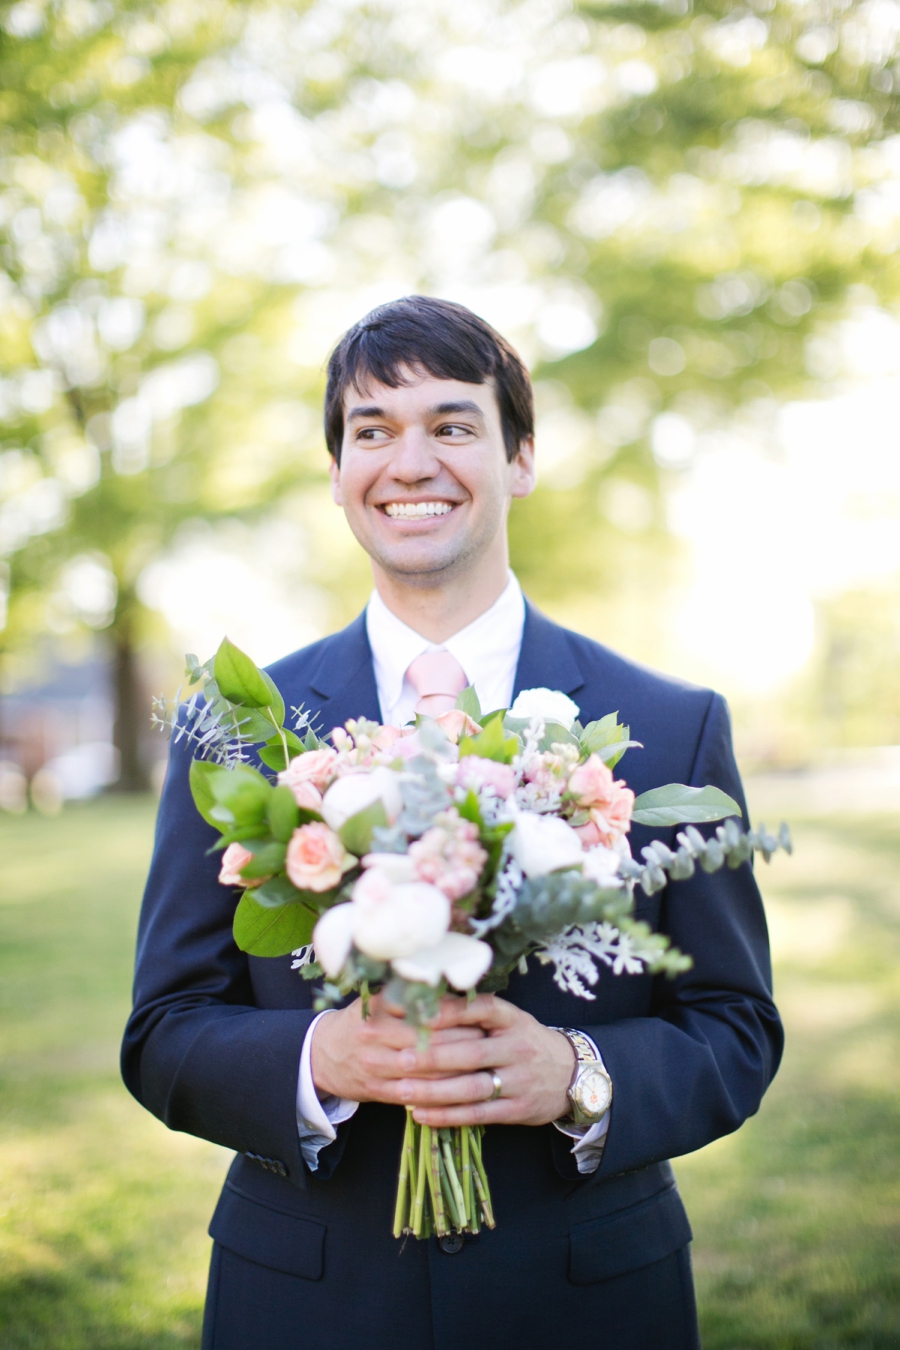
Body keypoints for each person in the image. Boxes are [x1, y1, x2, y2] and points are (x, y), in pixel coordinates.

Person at [122, 295, 783, 1350]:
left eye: (452, 423)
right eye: (371, 432)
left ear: (520, 457)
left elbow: (737, 1029)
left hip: (585, 1301)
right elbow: (162, 1032)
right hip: (306, 1300)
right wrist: (320, 1061)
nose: (409, 461)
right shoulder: (237, 730)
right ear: (339, 474)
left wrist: (579, 1075)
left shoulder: (671, 726)